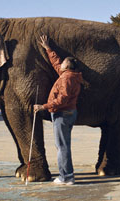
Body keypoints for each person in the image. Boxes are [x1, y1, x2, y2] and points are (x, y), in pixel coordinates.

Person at [34, 35, 83, 185]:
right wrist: (48, 49)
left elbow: (63, 99)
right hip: (68, 113)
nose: (60, 64)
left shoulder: (66, 79)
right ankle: (66, 175)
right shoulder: (68, 75)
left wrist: (43, 107)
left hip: (63, 114)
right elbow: (57, 64)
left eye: (64, 63)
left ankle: (66, 177)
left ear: (67, 67)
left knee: (62, 146)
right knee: (62, 145)